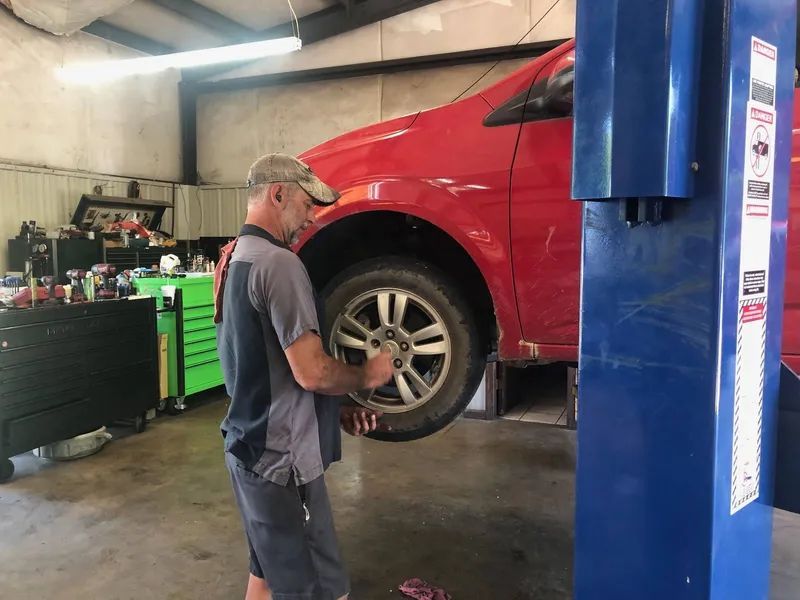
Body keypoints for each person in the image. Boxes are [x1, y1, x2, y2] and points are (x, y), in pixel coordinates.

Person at [214, 153, 394, 600]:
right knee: (319, 588)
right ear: (278, 194)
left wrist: (332, 411)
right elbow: (311, 372)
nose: (312, 218)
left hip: (246, 448)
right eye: (307, 205)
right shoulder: (280, 265)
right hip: (282, 465)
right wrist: (367, 374)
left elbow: (262, 364)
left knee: (266, 571)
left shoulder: (233, 257)